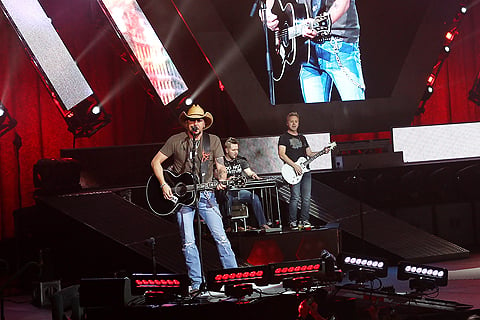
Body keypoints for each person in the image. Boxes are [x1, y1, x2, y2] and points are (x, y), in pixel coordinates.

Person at [151, 104, 237, 293]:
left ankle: (234, 278)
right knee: (188, 242)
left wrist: (222, 179)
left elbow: (220, 166)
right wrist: (164, 184)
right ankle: (196, 283)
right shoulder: (176, 140)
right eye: (192, 120)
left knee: (221, 237)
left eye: (199, 120)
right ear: (187, 123)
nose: (195, 124)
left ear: (204, 123)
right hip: (183, 199)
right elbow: (155, 161)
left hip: (206, 196)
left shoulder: (212, 141)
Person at [263, 0, 365, 103]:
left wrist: (318, 24)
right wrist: (268, 12)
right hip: (307, 51)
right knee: (315, 116)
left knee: (356, 112)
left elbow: (343, 3)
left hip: (339, 46)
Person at [278, 112, 328, 230]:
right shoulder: (284, 137)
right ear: (287, 123)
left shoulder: (302, 137)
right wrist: (294, 166)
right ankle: (292, 221)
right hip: (293, 171)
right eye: (291, 121)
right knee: (295, 196)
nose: (294, 123)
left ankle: (304, 220)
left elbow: (309, 154)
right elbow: (281, 154)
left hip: (305, 171)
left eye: (296, 121)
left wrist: (323, 151)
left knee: (306, 197)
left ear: (298, 123)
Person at [223, 137, 270, 230]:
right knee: (226, 199)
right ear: (226, 150)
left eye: (237, 149)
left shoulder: (241, 160)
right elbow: (217, 175)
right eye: (233, 150)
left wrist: (253, 174)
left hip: (239, 191)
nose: (236, 152)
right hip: (227, 192)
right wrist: (227, 179)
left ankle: (262, 223)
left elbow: (248, 171)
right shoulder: (221, 161)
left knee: (254, 197)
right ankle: (227, 226)